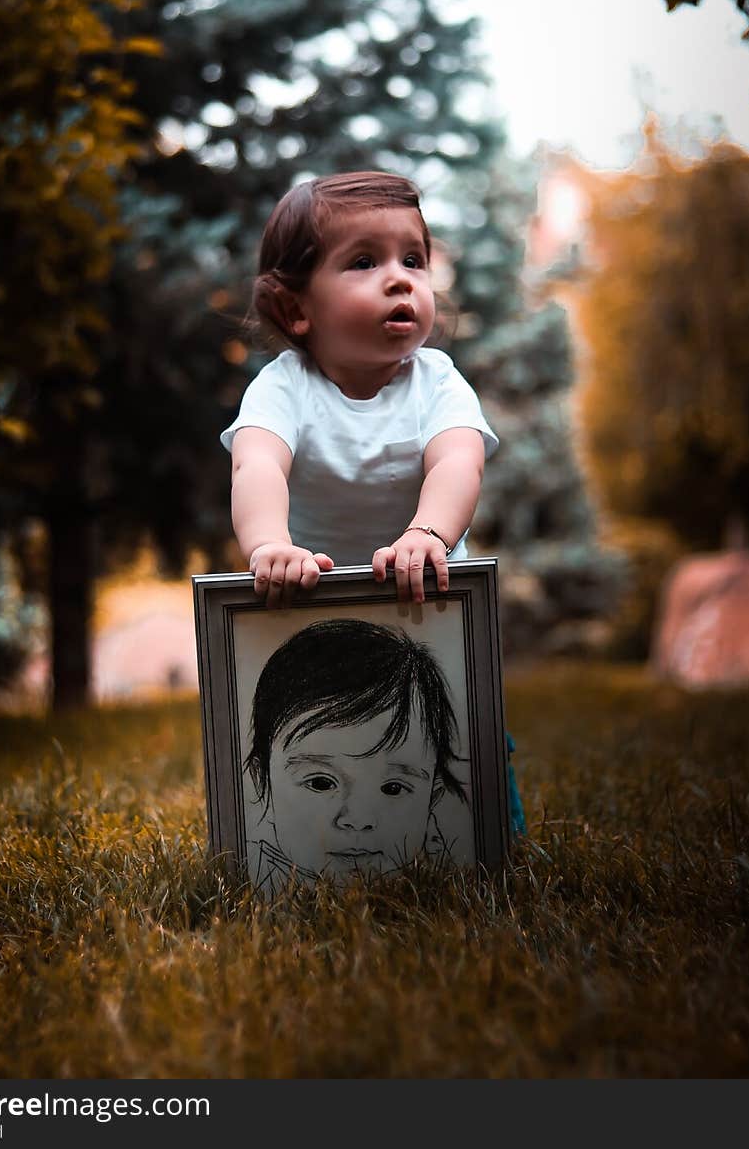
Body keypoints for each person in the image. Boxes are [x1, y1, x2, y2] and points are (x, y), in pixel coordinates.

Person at [221, 170, 525, 835]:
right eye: (364, 261)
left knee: (466, 731)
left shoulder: (437, 382)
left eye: (413, 259)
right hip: (321, 605)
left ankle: (495, 844)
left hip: (430, 591)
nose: (401, 279)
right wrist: (270, 544)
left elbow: (458, 458)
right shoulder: (284, 388)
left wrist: (429, 533)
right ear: (296, 308)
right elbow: (257, 462)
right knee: (336, 744)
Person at [244, 619, 468, 890]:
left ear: (432, 798)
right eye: (321, 783)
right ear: (262, 782)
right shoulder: (247, 879)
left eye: (393, 788)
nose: (358, 819)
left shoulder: (447, 883)